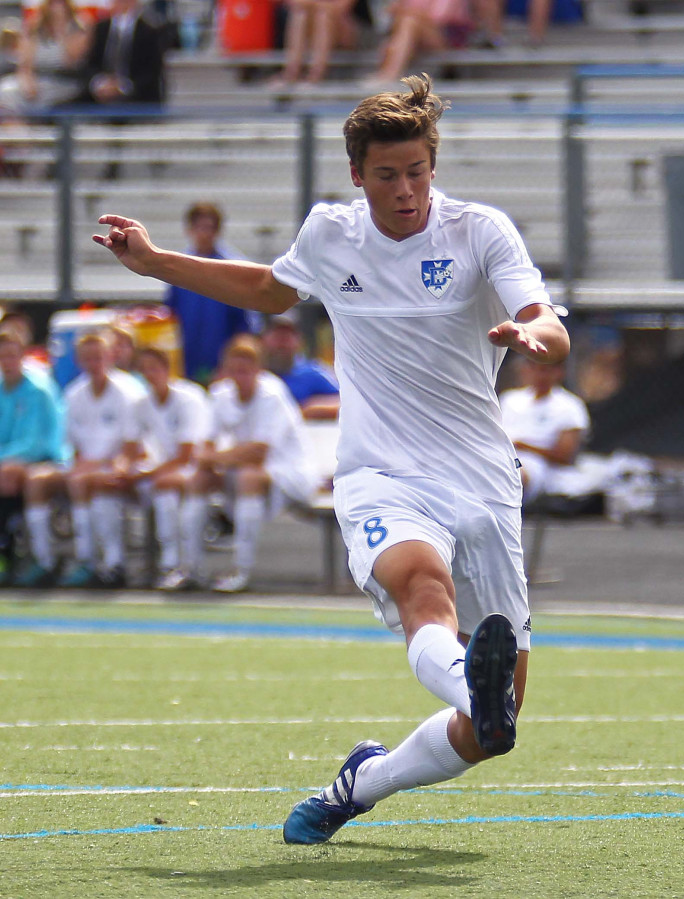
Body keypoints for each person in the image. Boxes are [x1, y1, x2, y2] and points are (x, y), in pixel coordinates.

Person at [93, 73, 570, 844]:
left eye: (417, 170)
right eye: (387, 174)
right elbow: (269, 289)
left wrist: (533, 338)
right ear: (358, 174)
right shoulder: (332, 234)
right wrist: (156, 264)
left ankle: (362, 781)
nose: (406, 189)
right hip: (381, 475)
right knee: (423, 586)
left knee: (492, 731)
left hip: (482, 479)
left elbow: (545, 321)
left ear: (432, 166)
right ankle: (470, 684)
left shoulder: (481, 232)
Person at [171, 335, 315, 593]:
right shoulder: (220, 393)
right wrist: (211, 460)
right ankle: (191, 568)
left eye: (246, 370)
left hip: (289, 472)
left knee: (248, 476)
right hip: (241, 471)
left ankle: (241, 570)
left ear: (258, 370)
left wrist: (215, 458)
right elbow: (205, 445)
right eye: (234, 370)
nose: (240, 376)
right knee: (197, 479)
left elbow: (259, 452)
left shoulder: (272, 393)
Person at [19, 331, 143, 588]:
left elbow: (131, 448)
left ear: (110, 356)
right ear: (78, 360)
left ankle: (102, 562)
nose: (94, 364)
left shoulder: (127, 391)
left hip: (120, 468)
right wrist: (82, 466)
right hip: (83, 469)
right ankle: (46, 561)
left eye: (98, 357)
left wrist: (94, 467)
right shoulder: (74, 394)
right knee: (37, 480)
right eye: (88, 358)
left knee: (85, 482)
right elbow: (73, 447)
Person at [134, 345, 212, 590]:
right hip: (165, 472)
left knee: (168, 492)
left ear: (167, 369)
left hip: (201, 470)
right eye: (144, 370)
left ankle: (186, 565)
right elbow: (136, 447)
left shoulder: (190, 398)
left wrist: (151, 473)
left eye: (154, 368)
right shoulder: (142, 404)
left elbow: (188, 455)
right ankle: (171, 565)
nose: (149, 374)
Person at [164, 202, 261, 385]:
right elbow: (172, 318)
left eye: (209, 228)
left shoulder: (233, 268)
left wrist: (230, 366)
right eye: (199, 227)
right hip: (186, 364)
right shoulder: (179, 268)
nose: (204, 234)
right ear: (189, 230)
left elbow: (245, 326)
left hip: (224, 371)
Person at [0, 328, 66, 583]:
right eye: (2, 357)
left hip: (45, 460)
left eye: (11, 356)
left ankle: (23, 555)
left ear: (23, 356)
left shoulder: (39, 390)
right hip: (7, 463)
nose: (6, 363)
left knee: (7, 477)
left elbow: (36, 443)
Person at [499, 357, 589, 504]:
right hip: (501, 456)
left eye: (545, 370)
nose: (540, 375)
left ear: (559, 372)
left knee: (512, 471)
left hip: (535, 467)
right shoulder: (509, 399)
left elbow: (565, 456)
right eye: (534, 368)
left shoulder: (571, 406)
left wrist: (523, 446)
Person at [0, 0, 89, 115]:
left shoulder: (78, 27)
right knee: (6, 90)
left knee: (40, 100)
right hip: (37, 77)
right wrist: (28, 83)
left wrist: (61, 29)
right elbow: (25, 64)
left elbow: (71, 61)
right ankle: (18, 127)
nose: (56, 8)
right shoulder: (34, 28)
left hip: (63, 79)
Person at [78, 0, 166, 106]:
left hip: (136, 96)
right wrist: (101, 83)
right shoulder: (101, 28)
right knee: (63, 109)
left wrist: (121, 87)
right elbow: (90, 64)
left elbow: (151, 73)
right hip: (101, 93)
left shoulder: (149, 32)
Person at [366, 0, 473, 85]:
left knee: (409, 21)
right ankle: (389, 73)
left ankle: (388, 75)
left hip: (447, 38)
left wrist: (407, 12)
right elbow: (390, 11)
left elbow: (439, 17)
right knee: (406, 23)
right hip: (412, 32)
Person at [261, 313, 339, 419]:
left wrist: (311, 409)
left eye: (287, 337)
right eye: (277, 336)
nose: (282, 343)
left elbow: (346, 402)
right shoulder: (254, 374)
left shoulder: (311, 374)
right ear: (264, 339)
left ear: (299, 341)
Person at [272, 0, 366, 86]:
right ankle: (292, 71)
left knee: (323, 15)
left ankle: (315, 75)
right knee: (300, 14)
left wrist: (314, 5)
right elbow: (294, 4)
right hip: (312, 28)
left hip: (345, 30)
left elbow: (341, 8)